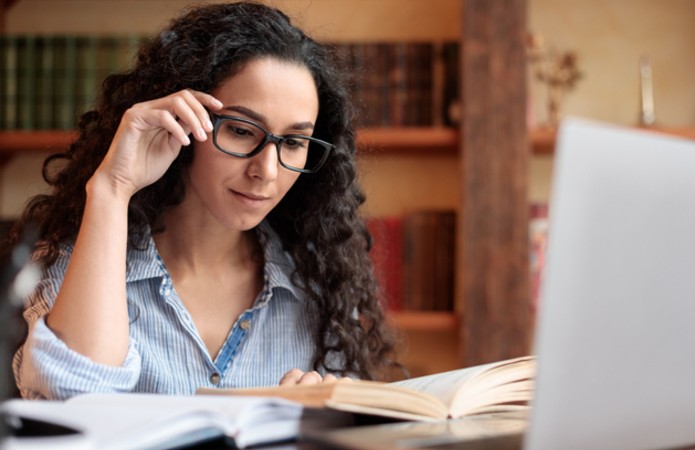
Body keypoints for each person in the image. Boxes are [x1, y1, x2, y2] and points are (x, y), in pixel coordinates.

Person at [4, 1, 399, 400]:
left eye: (294, 142)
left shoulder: (319, 282)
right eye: (243, 131)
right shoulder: (77, 264)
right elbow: (74, 400)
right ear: (182, 119)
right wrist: (111, 188)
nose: (267, 171)